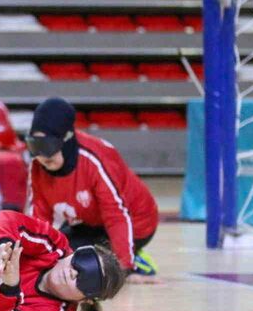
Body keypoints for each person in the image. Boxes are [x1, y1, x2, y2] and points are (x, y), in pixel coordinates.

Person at [25, 98, 159, 280]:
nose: (42, 156)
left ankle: (135, 260)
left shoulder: (95, 160)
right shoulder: (37, 166)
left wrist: (124, 267)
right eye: (35, 146)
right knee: (58, 254)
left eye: (48, 146)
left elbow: (116, 215)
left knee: (89, 266)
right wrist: (32, 261)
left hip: (136, 222)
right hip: (90, 221)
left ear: (66, 139)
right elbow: (38, 218)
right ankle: (113, 253)